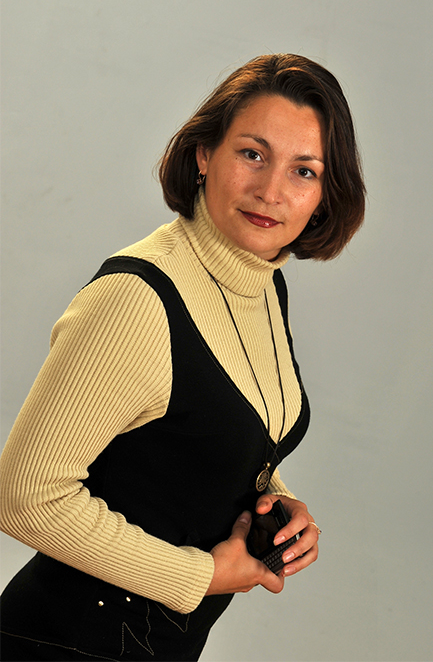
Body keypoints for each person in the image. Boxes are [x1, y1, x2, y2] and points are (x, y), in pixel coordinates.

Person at [0, 53, 366, 661]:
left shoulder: (260, 283)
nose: (271, 191)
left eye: (304, 171)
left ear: (325, 194)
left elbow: (195, 433)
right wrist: (201, 576)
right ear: (203, 155)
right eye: (252, 154)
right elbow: (25, 494)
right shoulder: (135, 300)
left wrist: (274, 499)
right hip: (61, 642)